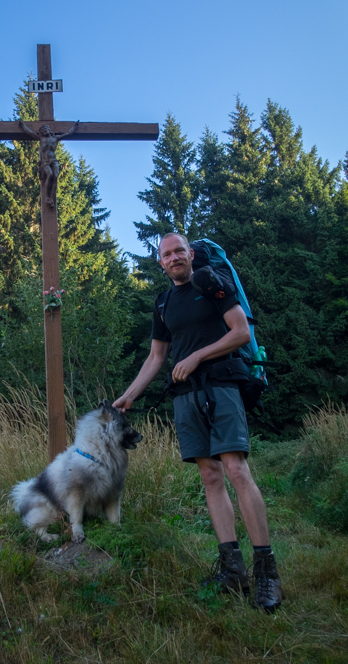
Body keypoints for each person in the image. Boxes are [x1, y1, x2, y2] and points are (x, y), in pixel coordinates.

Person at [113, 233, 282, 612]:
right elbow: (157, 357)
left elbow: (240, 332)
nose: (173, 258)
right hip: (186, 395)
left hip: (221, 385)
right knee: (210, 476)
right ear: (160, 263)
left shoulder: (211, 284)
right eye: (166, 254)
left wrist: (197, 357)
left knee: (237, 469)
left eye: (178, 251)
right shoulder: (163, 302)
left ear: (190, 254)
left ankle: (267, 574)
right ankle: (232, 569)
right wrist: (129, 395)